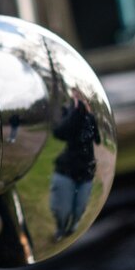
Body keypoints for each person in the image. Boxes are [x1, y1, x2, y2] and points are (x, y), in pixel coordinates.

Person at [48, 97, 98, 241]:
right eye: (79, 101)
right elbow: (59, 133)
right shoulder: (69, 115)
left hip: (86, 172)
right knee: (62, 210)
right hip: (66, 170)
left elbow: (97, 138)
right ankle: (61, 229)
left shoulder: (90, 118)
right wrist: (76, 112)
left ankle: (73, 226)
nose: (83, 104)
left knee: (79, 209)